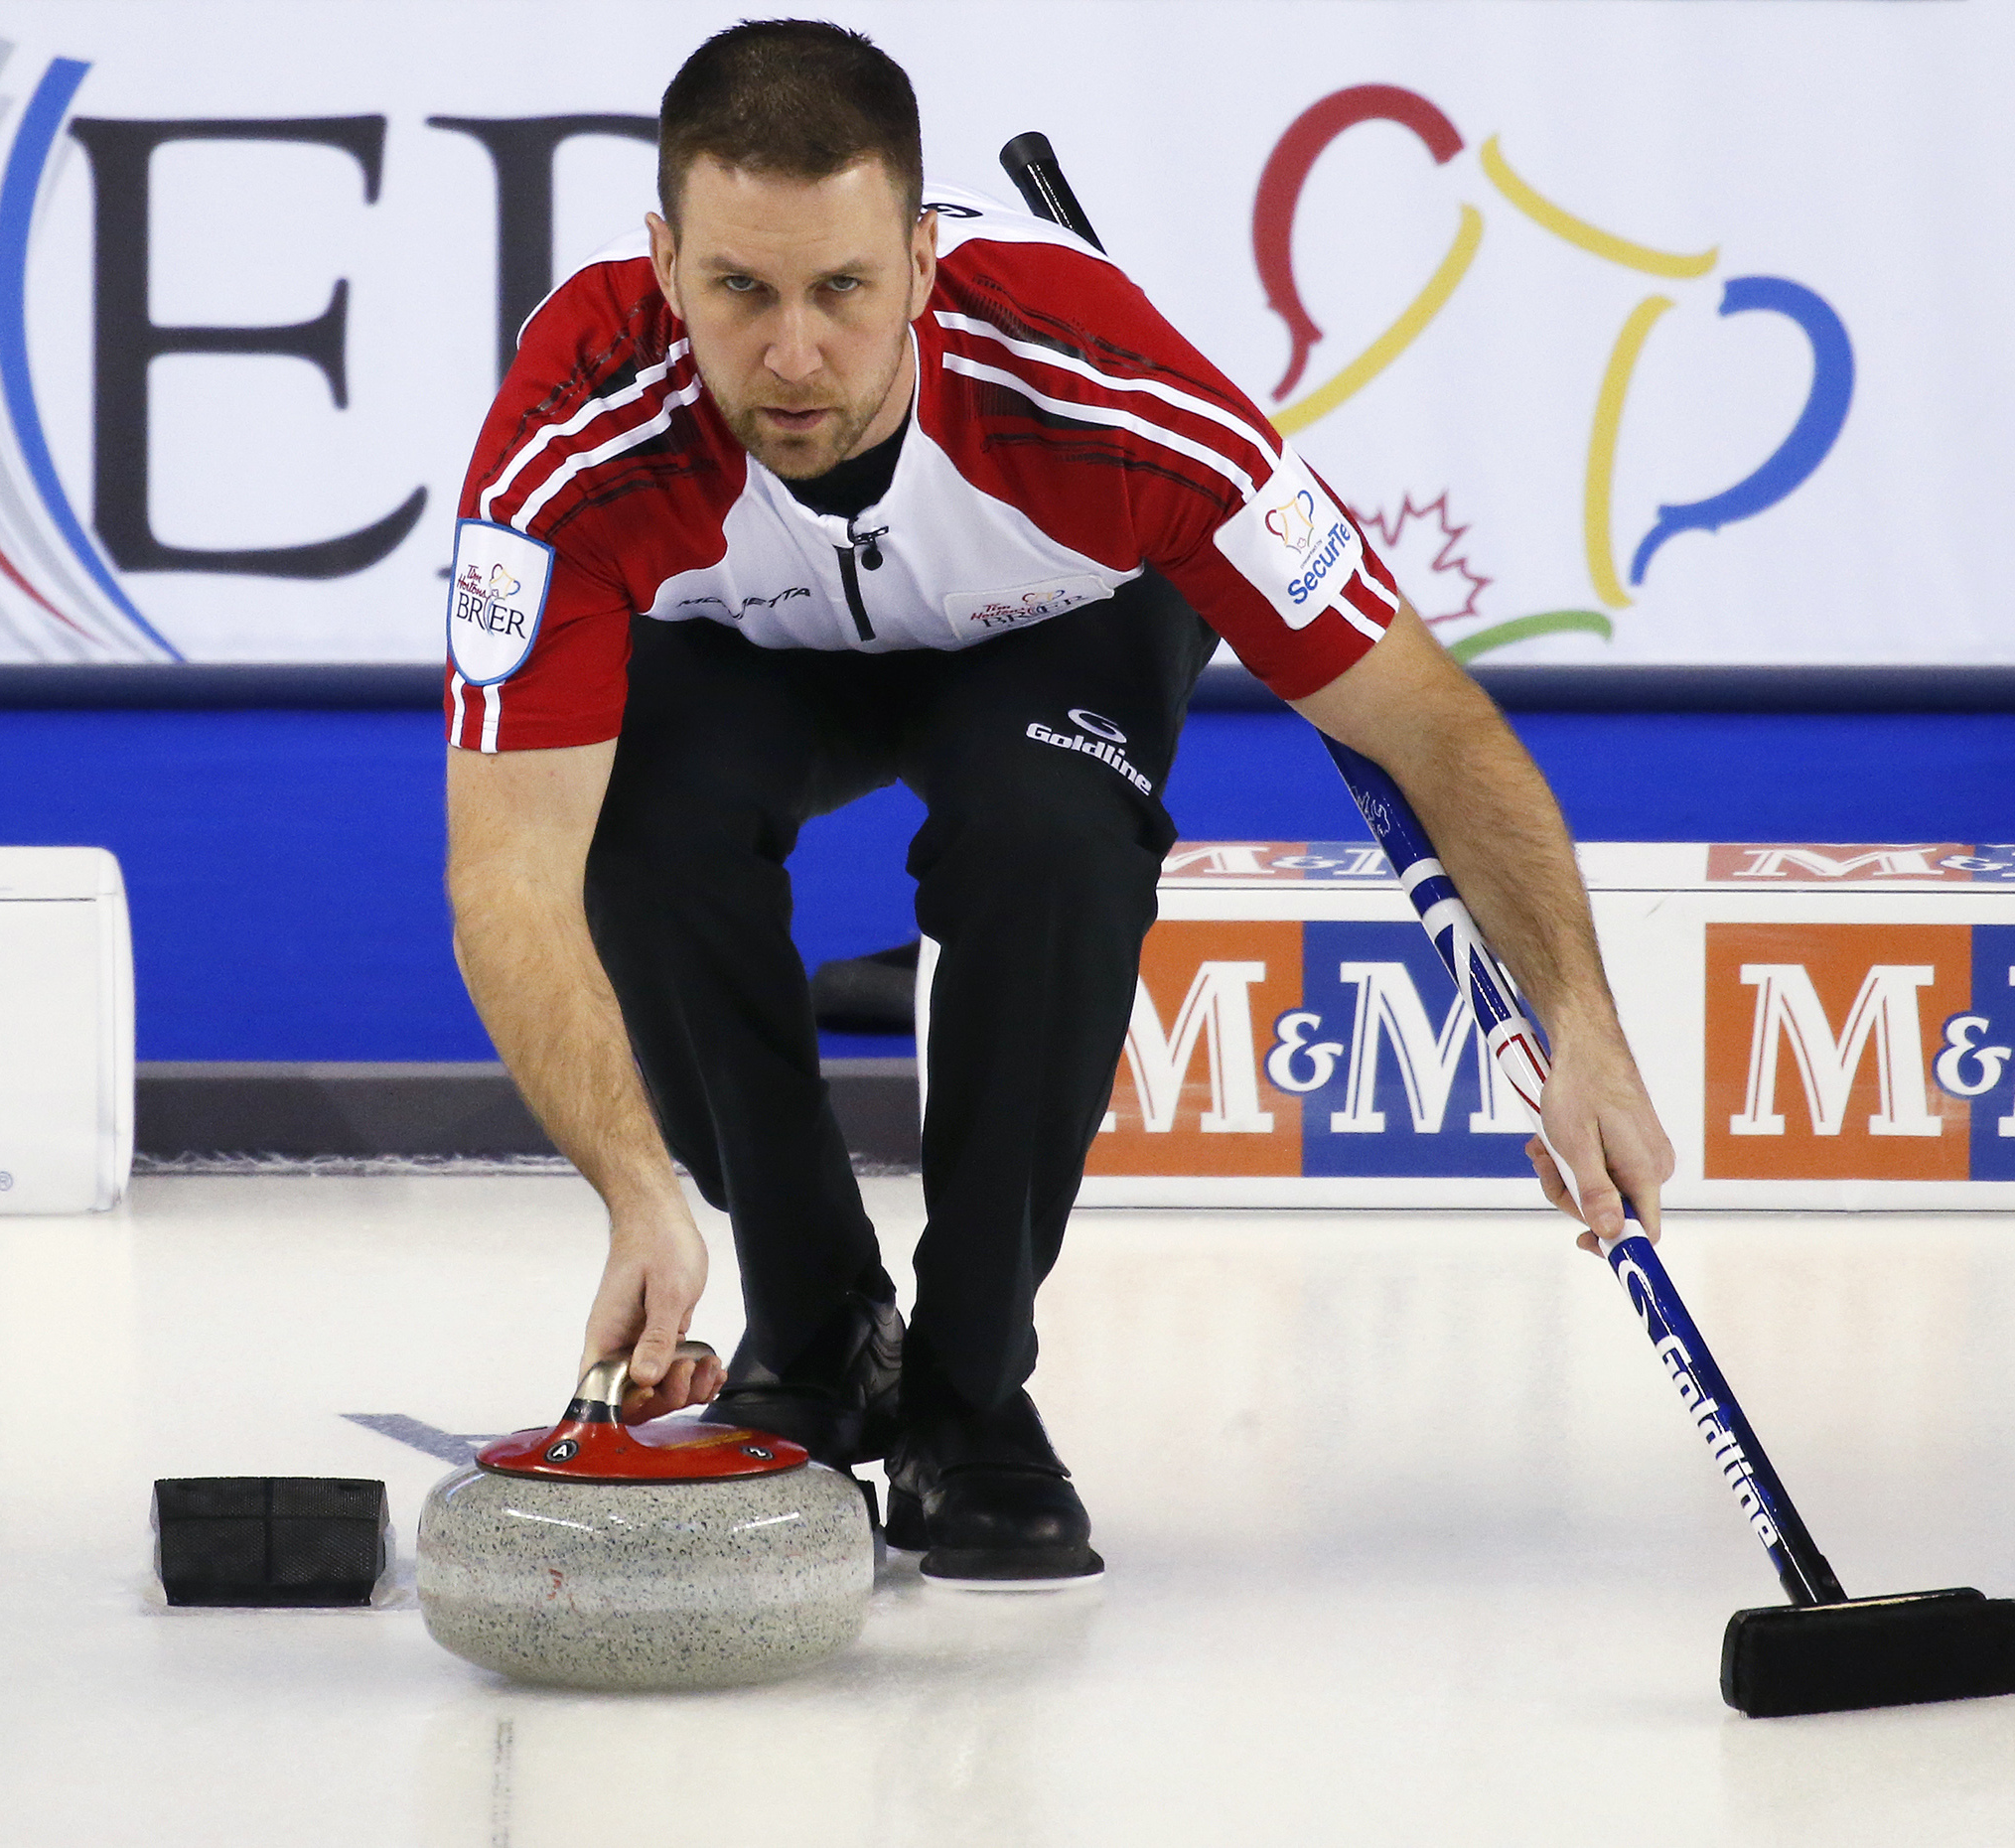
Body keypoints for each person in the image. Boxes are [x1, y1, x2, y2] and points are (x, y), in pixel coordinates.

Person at [441, 20, 1672, 1584]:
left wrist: (1583, 1024)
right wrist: (635, 1195)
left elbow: (1431, 727)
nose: (795, 353)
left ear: (925, 262)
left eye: (843, 289)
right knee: (636, 829)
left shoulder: (1110, 389)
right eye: (739, 290)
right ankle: (816, 1327)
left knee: (1051, 839)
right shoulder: (576, 421)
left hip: (1052, 626)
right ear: (663, 260)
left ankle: (969, 1392)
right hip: (747, 654)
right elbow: (508, 874)